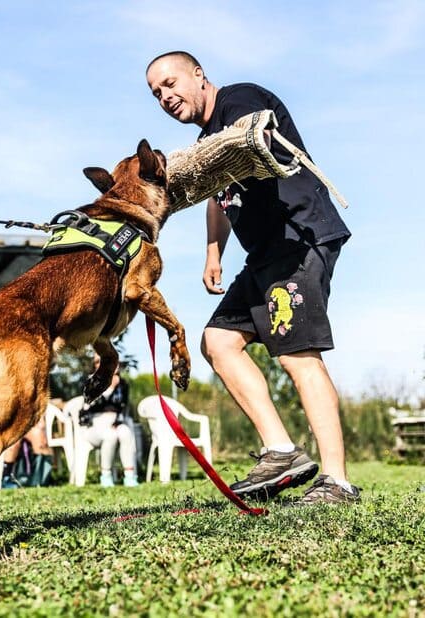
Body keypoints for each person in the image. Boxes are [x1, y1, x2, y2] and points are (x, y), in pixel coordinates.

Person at [145, 51, 360, 504]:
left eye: (170, 82)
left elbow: (242, 144)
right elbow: (217, 190)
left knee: (297, 357)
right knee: (218, 342)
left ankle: (337, 480)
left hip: (299, 239)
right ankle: (282, 452)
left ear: (198, 75)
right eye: (156, 93)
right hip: (263, 255)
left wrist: (176, 171)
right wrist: (212, 252)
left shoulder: (239, 101)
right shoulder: (210, 137)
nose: (165, 96)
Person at [78, 355, 138, 488]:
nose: (106, 363)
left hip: (115, 421)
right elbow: (89, 405)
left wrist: (117, 422)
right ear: (95, 365)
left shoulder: (123, 385)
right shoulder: (90, 382)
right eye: (99, 362)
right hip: (94, 424)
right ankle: (106, 475)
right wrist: (109, 387)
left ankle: (129, 476)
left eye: (111, 360)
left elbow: (123, 407)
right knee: (110, 436)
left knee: (126, 432)